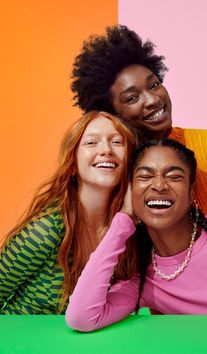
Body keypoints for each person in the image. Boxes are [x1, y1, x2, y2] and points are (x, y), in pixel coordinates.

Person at [65, 139, 207, 332]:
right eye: (145, 177)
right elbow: (81, 318)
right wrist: (123, 220)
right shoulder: (146, 284)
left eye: (174, 177)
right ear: (130, 192)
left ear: (190, 192)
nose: (159, 185)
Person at [70, 24, 207, 215]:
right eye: (132, 98)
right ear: (112, 114)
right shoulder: (116, 170)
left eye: (154, 84)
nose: (153, 100)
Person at [0, 111, 138, 314]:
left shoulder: (130, 230)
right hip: (21, 342)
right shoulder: (47, 229)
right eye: (91, 143)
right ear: (73, 163)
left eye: (117, 142)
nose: (106, 150)